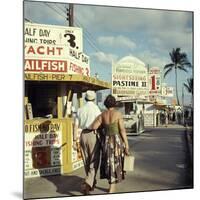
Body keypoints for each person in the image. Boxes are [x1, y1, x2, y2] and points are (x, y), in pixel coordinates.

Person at [90, 94, 130, 193]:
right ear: (114, 104)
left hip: (107, 141)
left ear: (105, 104)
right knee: (115, 162)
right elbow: (122, 130)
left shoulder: (102, 114)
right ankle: (112, 187)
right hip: (116, 141)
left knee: (108, 162)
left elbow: (94, 126)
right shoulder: (118, 114)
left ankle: (111, 184)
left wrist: (102, 128)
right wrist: (127, 145)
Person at [73, 90, 101, 195]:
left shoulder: (80, 110)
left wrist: (74, 140)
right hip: (93, 134)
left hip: (83, 135)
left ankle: (91, 182)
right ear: (94, 99)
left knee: (86, 160)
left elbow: (75, 125)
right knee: (94, 160)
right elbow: (99, 123)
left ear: (85, 99)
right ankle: (87, 183)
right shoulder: (96, 109)